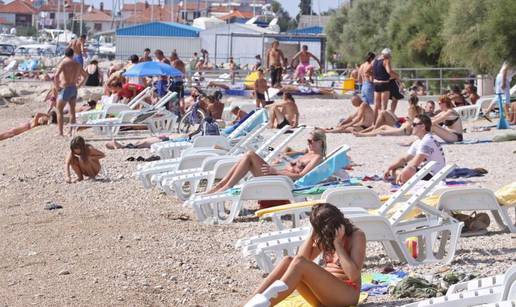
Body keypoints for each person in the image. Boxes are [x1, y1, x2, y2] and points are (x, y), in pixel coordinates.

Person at [248, 203, 365, 306]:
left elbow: (353, 275)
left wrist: (338, 244)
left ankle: (264, 305)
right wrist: (312, 234)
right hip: (323, 297)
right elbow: (301, 260)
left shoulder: (356, 236)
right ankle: (250, 302)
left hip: (347, 295)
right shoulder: (327, 235)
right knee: (288, 261)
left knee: (298, 262)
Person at [206, 129, 326, 194]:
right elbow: (288, 156)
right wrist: (280, 159)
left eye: (312, 141)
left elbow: (301, 175)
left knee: (250, 154)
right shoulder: (308, 153)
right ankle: (221, 185)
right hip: (277, 175)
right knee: (248, 156)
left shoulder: (317, 158)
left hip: (282, 181)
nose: (309, 143)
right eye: (308, 141)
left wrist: (275, 171)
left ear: (321, 142)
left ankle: (227, 186)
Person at [384, 114, 445, 184]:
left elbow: (415, 163)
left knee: (407, 170)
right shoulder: (419, 141)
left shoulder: (427, 141)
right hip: (426, 171)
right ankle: (402, 178)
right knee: (395, 169)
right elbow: (404, 159)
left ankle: (403, 180)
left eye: (414, 124)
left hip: (434, 176)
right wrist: (389, 168)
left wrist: (403, 172)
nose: (412, 126)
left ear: (422, 127)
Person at [54, 47, 88, 136]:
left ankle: (60, 132)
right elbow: (85, 76)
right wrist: (79, 86)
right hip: (73, 88)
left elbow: (56, 76)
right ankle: (70, 132)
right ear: (73, 54)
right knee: (72, 111)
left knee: (59, 110)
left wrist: (57, 87)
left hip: (65, 88)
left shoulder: (64, 63)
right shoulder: (77, 64)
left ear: (65, 54)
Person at [354, 95, 423, 137]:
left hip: (403, 129)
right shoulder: (420, 109)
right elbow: (415, 119)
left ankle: (363, 134)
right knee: (383, 126)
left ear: (410, 102)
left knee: (381, 131)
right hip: (403, 127)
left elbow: (411, 120)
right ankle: (366, 132)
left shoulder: (411, 108)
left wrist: (407, 120)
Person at [372, 48, 399, 122]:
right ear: (387, 55)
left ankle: (374, 122)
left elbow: (373, 71)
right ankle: (382, 122)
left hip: (376, 84)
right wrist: (397, 75)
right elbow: (389, 71)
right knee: (384, 106)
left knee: (376, 105)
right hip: (384, 84)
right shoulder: (386, 61)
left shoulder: (375, 61)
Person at [494, 61, 515, 128]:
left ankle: (506, 117)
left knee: (503, 98)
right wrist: (503, 82)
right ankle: (507, 117)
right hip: (503, 79)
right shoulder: (511, 60)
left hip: (503, 78)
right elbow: (505, 70)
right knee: (505, 99)